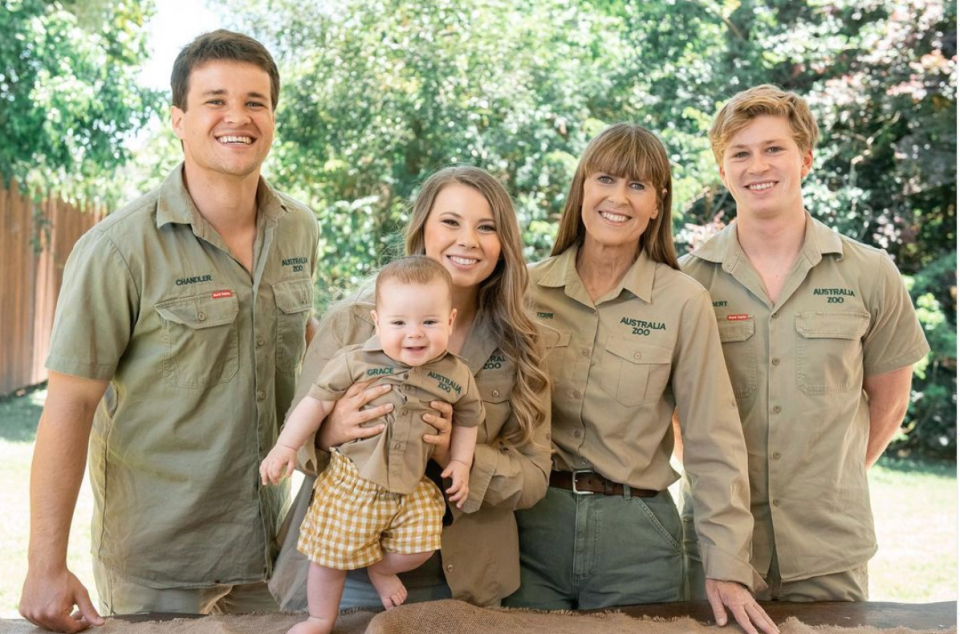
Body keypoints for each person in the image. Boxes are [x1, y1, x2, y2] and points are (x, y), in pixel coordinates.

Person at [18, 30, 319, 632]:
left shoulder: (298, 229)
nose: (238, 116)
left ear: (273, 117)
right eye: (215, 100)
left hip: (271, 549)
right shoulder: (117, 249)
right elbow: (70, 405)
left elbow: (304, 348)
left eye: (255, 102)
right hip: (160, 559)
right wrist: (44, 565)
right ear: (177, 119)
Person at [505, 123, 778, 634]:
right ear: (582, 188)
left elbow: (711, 439)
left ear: (657, 204)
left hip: (637, 537)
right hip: (528, 529)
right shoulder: (524, 289)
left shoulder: (683, 301)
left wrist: (726, 566)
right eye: (605, 179)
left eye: (637, 186)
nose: (618, 198)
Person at [677, 85, 930, 602]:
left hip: (828, 549)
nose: (757, 166)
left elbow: (891, 398)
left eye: (774, 148)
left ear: (805, 160)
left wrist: (835, 477)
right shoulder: (687, 281)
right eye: (739, 154)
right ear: (723, 172)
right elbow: (677, 412)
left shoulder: (871, 273)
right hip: (718, 547)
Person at [268, 166, 552, 611]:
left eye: (487, 227)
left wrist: (455, 456)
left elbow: (535, 479)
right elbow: (294, 442)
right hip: (346, 575)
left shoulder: (520, 344)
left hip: (462, 583)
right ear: (422, 229)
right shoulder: (353, 323)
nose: (468, 241)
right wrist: (333, 431)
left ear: (504, 245)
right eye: (451, 222)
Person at [260, 256, 484, 634]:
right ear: (378, 323)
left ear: (449, 321)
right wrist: (285, 447)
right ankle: (320, 618)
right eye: (399, 323)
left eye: (429, 322)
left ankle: (381, 567)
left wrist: (460, 463)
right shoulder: (355, 361)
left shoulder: (455, 374)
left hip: (409, 487)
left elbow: (468, 417)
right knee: (329, 558)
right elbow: (315, 404)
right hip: (353, 482)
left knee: (421, 546)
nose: (415, 334)